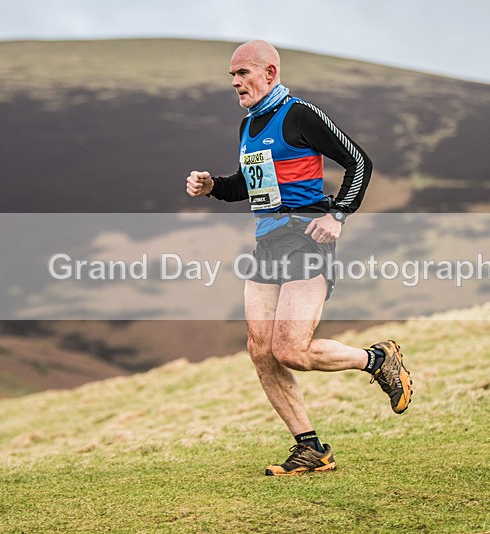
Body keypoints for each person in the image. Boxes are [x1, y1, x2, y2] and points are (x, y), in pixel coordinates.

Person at [186, 40, 412, 476]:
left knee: (291, 350)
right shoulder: (248, 125)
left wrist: (339, 215)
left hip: (308, 239)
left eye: (243, 73)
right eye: (231, 76)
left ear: (269, 72)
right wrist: (212, 184)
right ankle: (311, 449)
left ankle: (379, 360)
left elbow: (359, 162)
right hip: (267, 245)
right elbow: (252, 187)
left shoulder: (299, 114)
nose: (235, 82)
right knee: (261, 351)